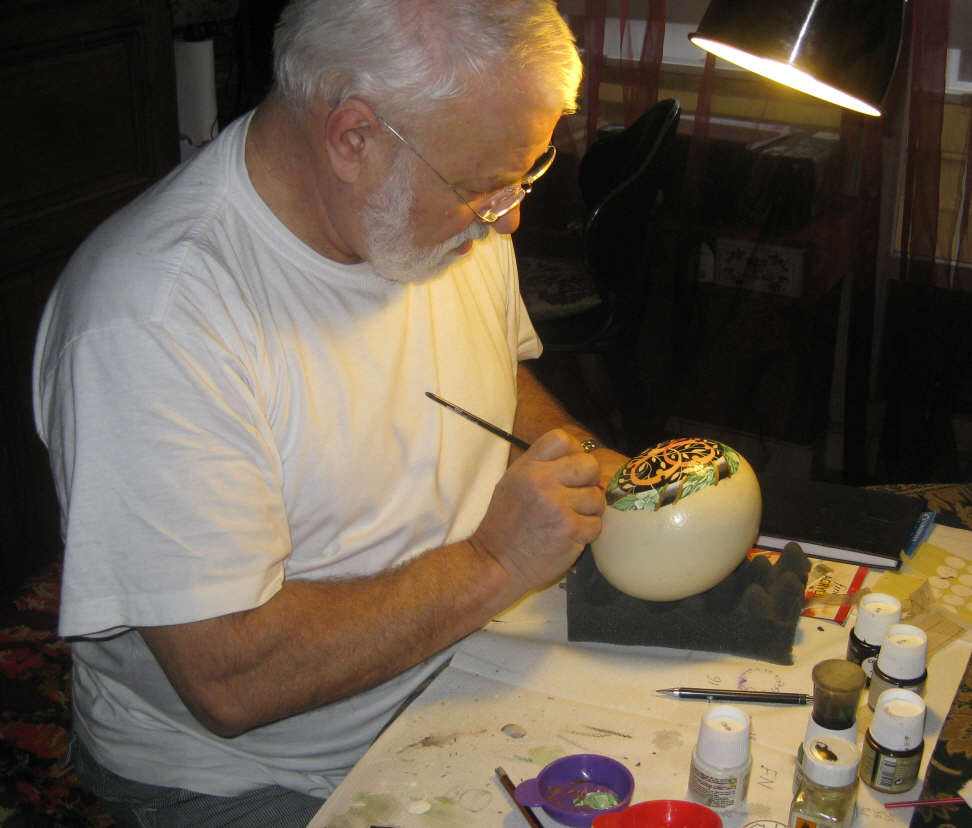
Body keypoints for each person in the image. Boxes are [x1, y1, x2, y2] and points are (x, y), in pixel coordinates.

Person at [32, 0, 627, 824]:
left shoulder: (431, 210)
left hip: (470, 658)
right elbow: (231, 680)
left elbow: (493, 377)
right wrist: (495, 562)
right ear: (354, 137)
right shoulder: (155, 320)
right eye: (486, 184)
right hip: (256, 772)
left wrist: (597, 466)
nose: (509, 216)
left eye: (524, 175)